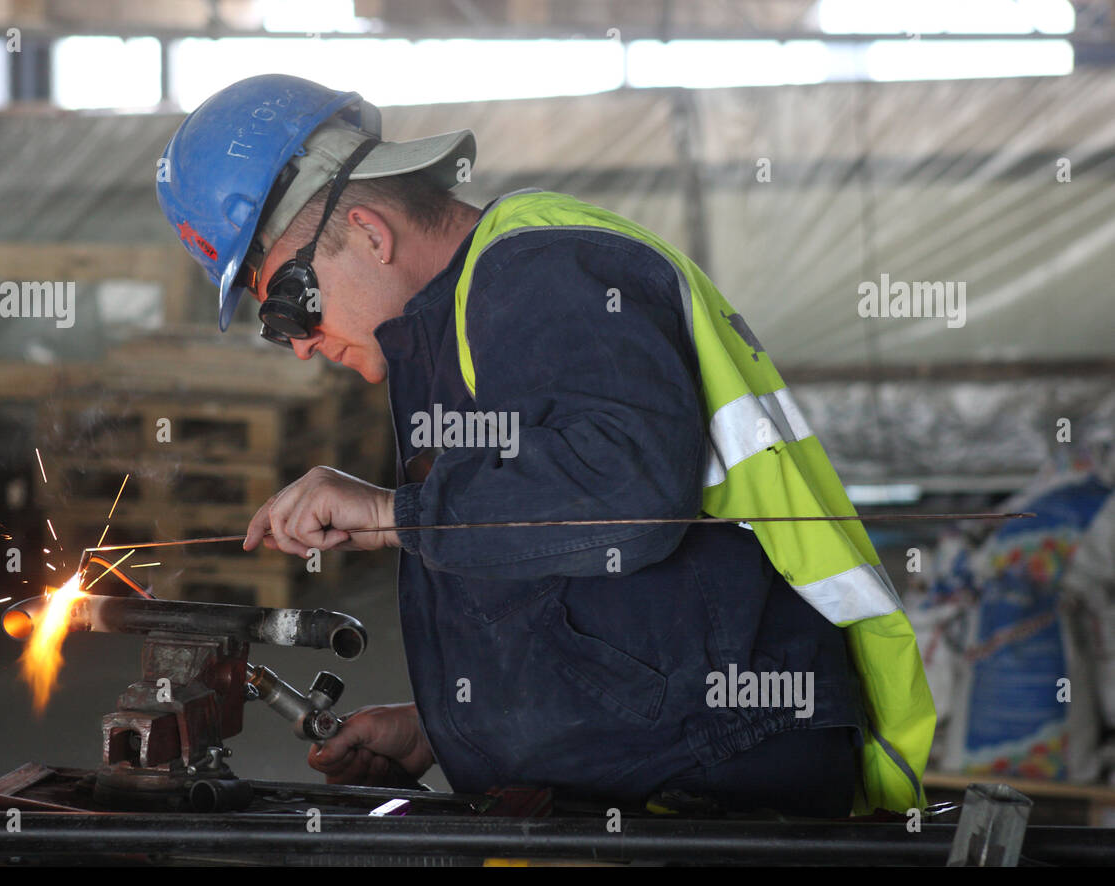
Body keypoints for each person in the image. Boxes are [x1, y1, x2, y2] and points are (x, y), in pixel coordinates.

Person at [157, 74, 935, 817]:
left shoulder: (542, 268)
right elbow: (566, 573)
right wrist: (445, 727)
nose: (296, 345)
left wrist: (396, 514)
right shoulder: (463, 319)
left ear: (366, 231)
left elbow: (627, 493)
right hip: (665, 767)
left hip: (720, 772)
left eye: (290, 306)